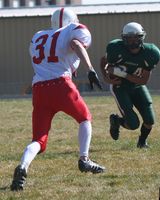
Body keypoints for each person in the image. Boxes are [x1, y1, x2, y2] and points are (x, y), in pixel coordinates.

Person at [10, 7, 105, 191]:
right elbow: (77, 45)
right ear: (73, 20)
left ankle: (22, 167)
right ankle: (84, 159)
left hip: (39, 88)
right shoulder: (71, 31)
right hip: (60, 85)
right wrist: (91, 69)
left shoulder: (38, 36)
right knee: (85, 118)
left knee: (38, 140)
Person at [100, 22, 160, 148]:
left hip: (137, 86)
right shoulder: (115, 48)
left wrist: (122, 74)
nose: (133, 41)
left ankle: (142, 142)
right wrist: (106, 77)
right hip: (120, 86)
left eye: (136, 37)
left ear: (142, 37)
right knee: (133, 124)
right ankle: (117, 121)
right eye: (129, 38)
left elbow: (143, 81)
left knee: (150, 119)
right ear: (123, 38)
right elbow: (103, 61)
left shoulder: (151, 52)